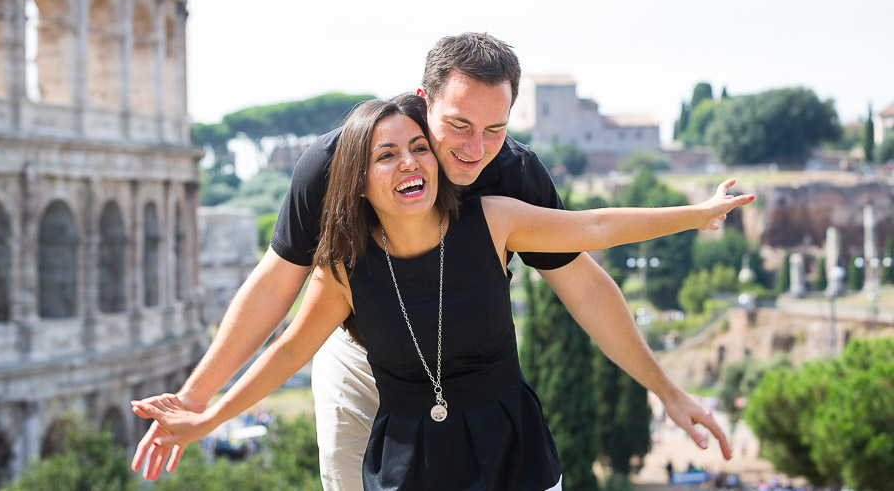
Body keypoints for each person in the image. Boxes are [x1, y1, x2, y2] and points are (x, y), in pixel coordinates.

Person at [131, 33, 733, 486]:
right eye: (457, 125)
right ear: (425, 102)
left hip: (479, 367)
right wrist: (197, 401)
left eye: (495, 129)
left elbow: (587, 283)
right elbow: (276, 299)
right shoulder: (335, 167)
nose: (475, 150)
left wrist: (669, 392)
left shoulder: (509, 180)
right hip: (364, 343)